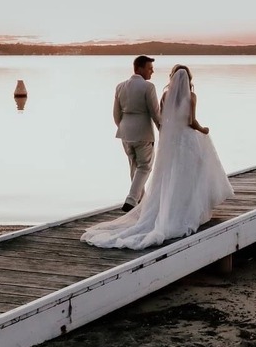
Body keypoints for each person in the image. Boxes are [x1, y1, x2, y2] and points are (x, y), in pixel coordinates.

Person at [83, 65, 234, 250]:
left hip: (171, 141)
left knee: (169, 176)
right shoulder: (192, 97)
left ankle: (165, 208)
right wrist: (204, 130)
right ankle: (187, 210)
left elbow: (163, 119)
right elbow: (191, 121)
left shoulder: (165, 95)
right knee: (191, 173)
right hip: (186, 139)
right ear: (188, 79)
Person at [114, 55, 161, 212]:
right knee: (145, 167)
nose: (152, 72)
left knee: (134, 167)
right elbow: (155, 113)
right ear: (139, 68)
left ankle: (141, 201)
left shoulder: (120, 86)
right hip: (143, 132)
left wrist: (123, 127)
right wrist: (163, 130)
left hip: (125, 132)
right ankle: (132, 200)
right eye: (149, 68)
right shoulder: (148, 87)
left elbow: (116, 114)